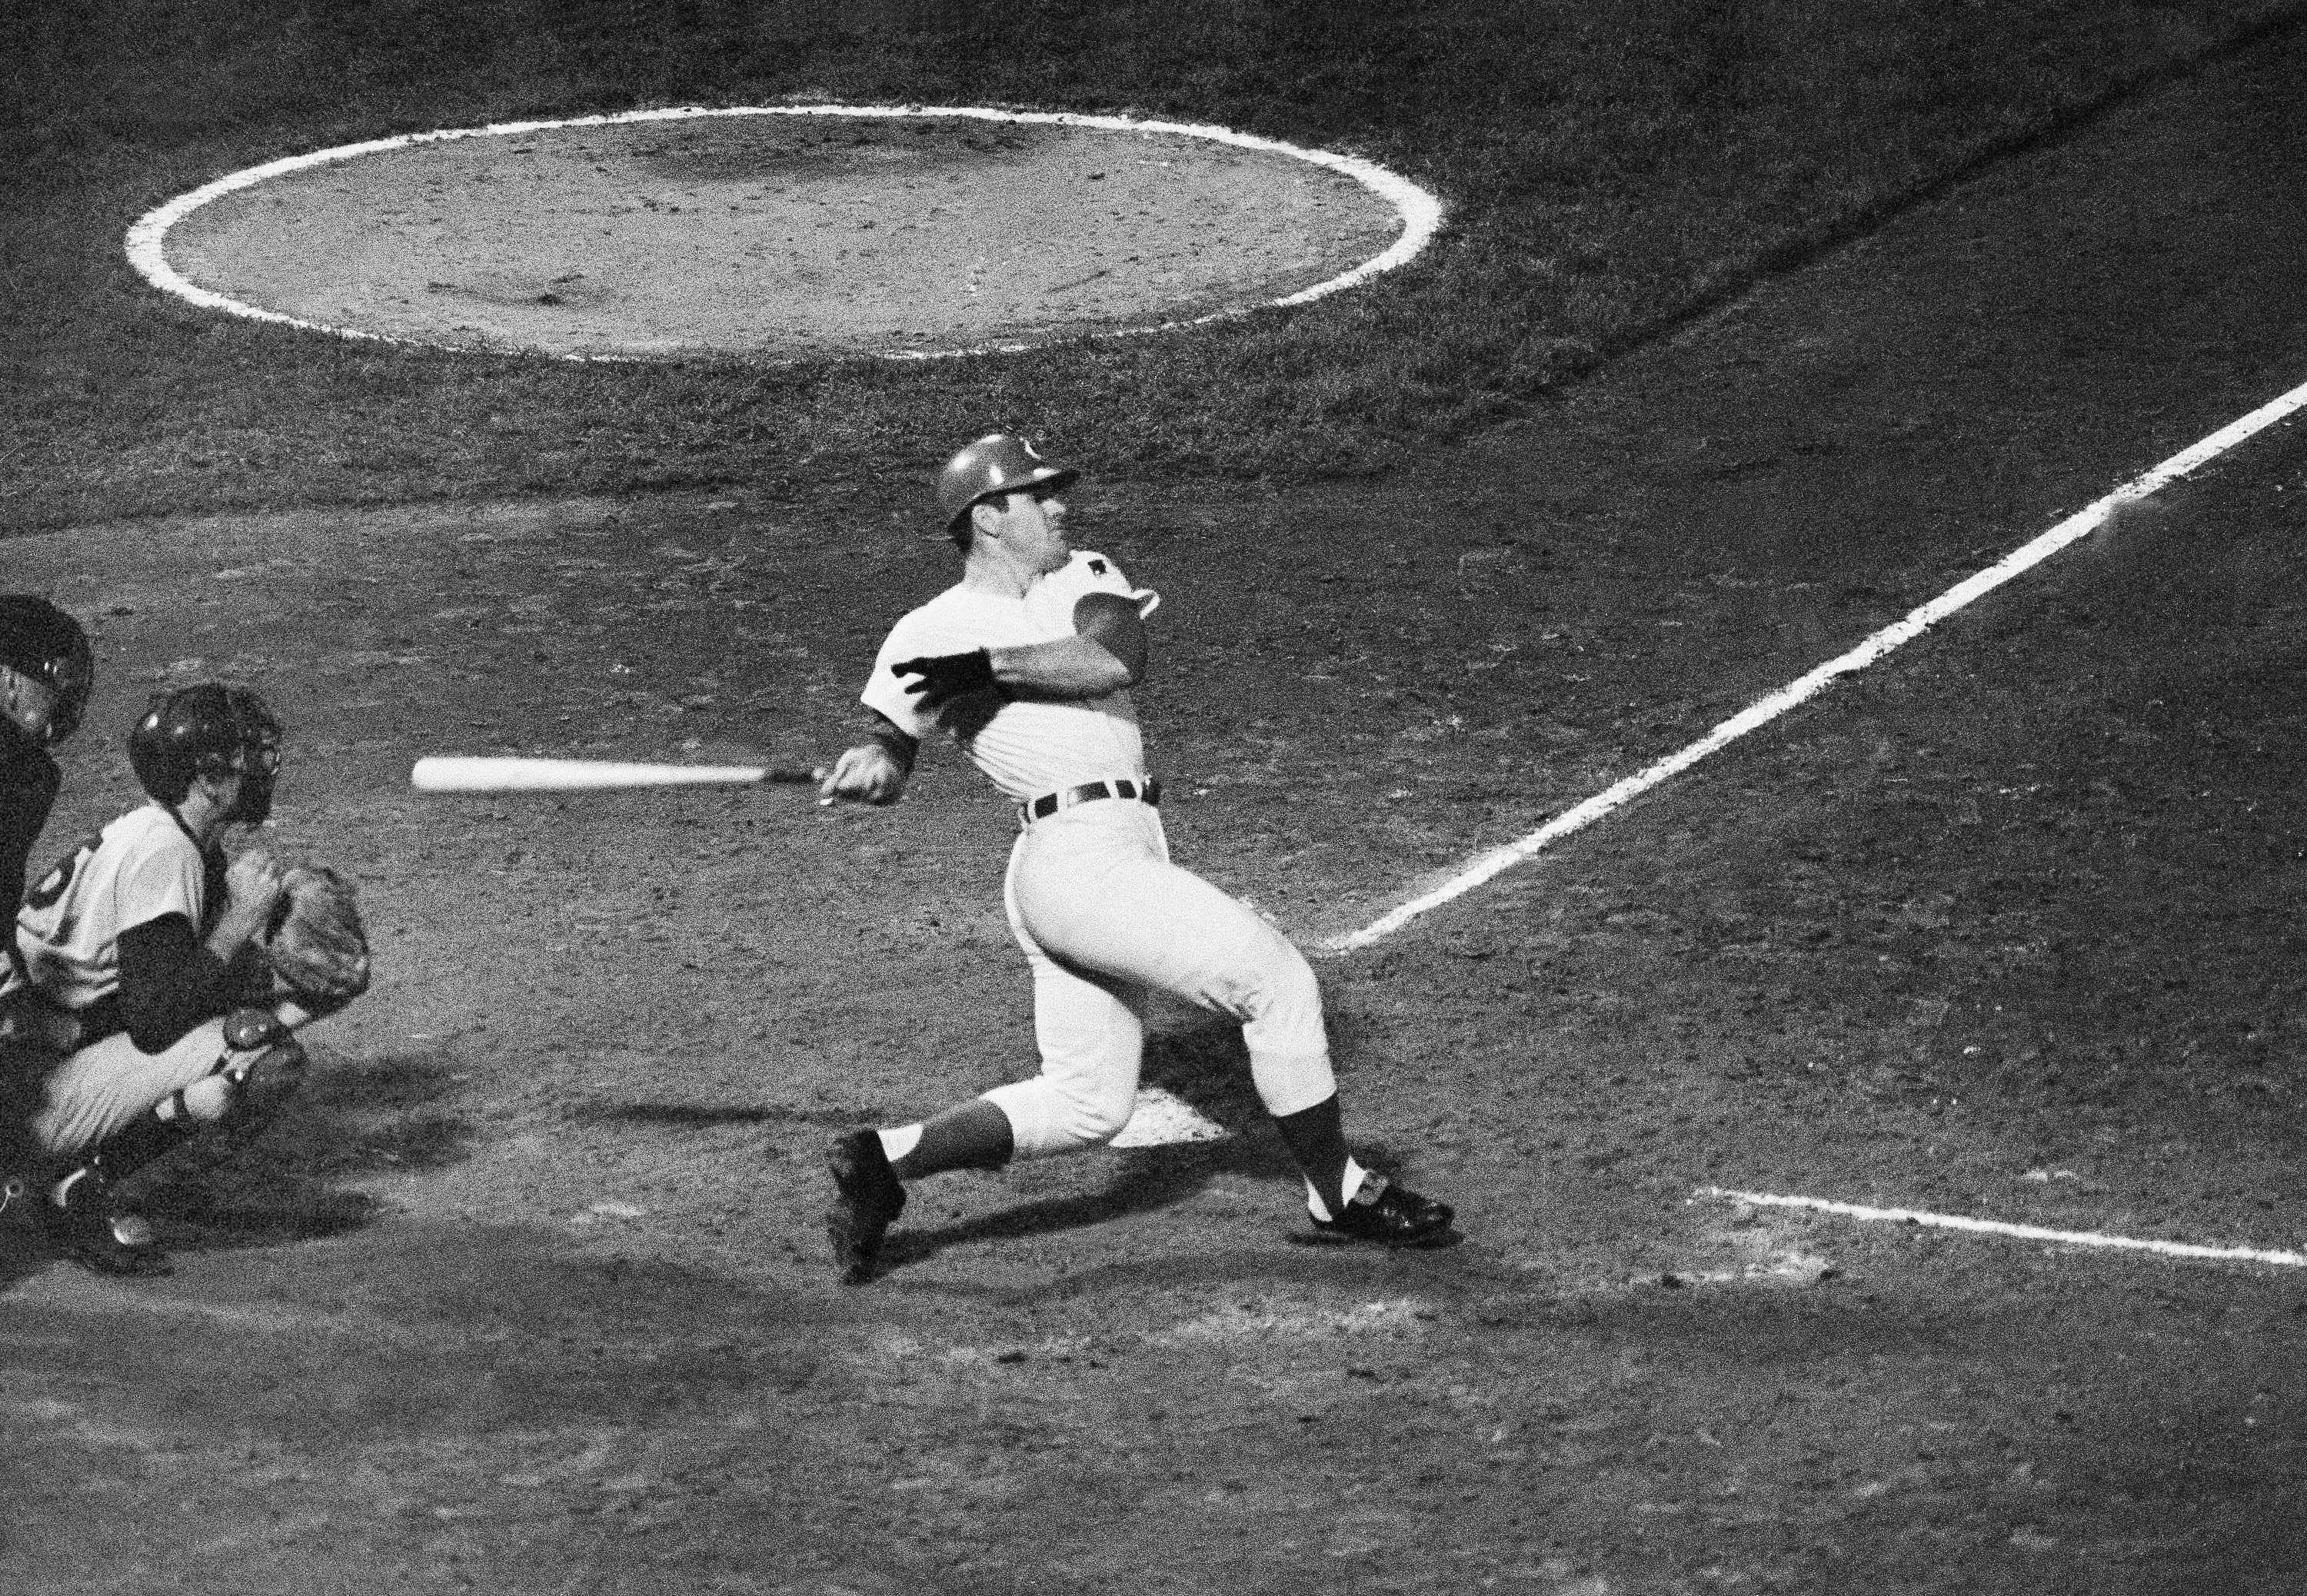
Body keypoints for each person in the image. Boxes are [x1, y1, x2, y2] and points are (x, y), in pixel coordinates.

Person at [817, 434, 1456, 1284]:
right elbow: (891, 745)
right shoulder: (922, 631)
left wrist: (984, 667)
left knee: (1089, 1103)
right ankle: (1337, 1191)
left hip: (1106, 855)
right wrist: (876, 766)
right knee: (1279, 982)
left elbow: (1116, 656)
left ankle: (883, 1160)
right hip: (1074, 863)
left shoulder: (1082, 577)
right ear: (988, 519)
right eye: (1037, 497)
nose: (1059, 508)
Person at [0, 683, 327, 1276]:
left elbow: (152, 994)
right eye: (250, 754)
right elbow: (155, 1019)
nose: (266, 766)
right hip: (26, 1095)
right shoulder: (164, 854)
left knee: (244, 1005)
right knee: (253, 1054)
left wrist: (298, 984)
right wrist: (239, 927)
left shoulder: (162, 835)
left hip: (30, 1063)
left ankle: (54, 1175)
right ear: (208, 776)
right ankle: (76, 1187)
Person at [0, 596, 93, 929]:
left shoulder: (29, 768)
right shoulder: (24, 771)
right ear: (9, 680)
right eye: (52, 690)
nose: (62, 708)